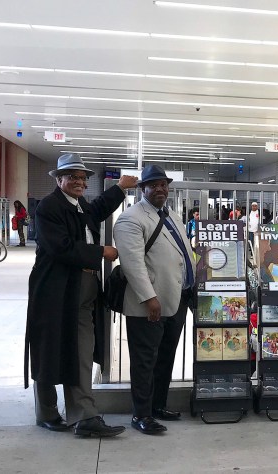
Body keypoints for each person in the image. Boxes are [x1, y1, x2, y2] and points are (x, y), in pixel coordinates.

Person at [24, 153, 136, 437]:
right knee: (48, 351)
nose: (78, 182)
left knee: (80, 352)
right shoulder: (48, 207)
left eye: (83, 178)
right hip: (54, 292)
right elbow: (60, 247)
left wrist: (120, 188)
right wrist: (101, 252)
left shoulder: (79, 205)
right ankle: (48, 412)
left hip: (83, 290)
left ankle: (83, 416)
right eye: (72, 176)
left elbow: (97, 210)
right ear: (59, 179)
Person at [114, 164, 196, 435]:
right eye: (154, 185)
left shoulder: (171, 215)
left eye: (164, 184)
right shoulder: (131, 218)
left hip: (176, 300)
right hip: (149, 305)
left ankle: (158, 406)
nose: (160, 188)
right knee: (144, 362)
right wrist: (150, 298)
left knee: (165, 358)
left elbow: (183, 253)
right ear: (142, 189)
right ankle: (141, 414)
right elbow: (133, 264)